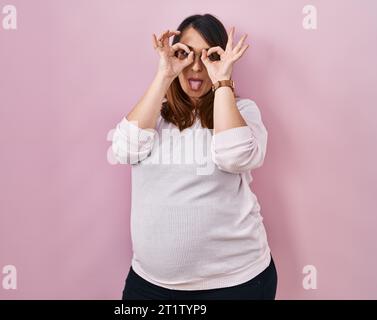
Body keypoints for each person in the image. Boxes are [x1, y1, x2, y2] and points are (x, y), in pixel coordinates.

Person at [111, 13, 277, 300]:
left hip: (237, 283)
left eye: (208, 56)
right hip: (151, 286)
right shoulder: (154, 115)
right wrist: (165, 74)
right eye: (186, 54)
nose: (196, 67)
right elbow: (124, 150)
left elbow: (234, 157)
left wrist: (222, 80)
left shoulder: (244, 111)